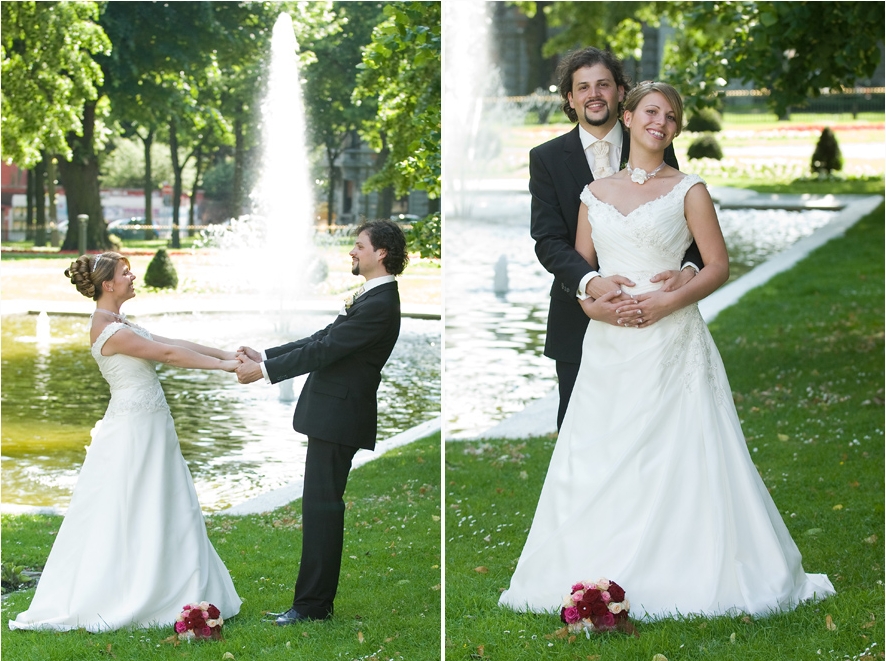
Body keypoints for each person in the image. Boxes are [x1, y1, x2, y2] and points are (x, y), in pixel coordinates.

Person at [499, 82, 835, 619]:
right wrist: (602, 308)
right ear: (628, 117)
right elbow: (583, 279)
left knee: (678, 453)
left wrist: (669, 298)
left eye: (672, 116)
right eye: (652, 111)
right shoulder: (594, 193)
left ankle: (683, 568)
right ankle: (590, 566)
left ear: (676, 130)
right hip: (609, 346)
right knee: (601, 454)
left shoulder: (689, 189)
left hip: (672, 342)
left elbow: (718, 266)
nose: (662, 122)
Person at [9, 252, 242, 632]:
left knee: (163, 500)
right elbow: (166, 354)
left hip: (149, 424)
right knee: (134, 504)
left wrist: (224, 353)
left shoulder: (117, 321)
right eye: (125, 272)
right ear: (108, 285)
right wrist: (224, 368)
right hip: (135, 430)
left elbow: (169, 340)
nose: (132, 276)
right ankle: (133, 590)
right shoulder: (110, 329)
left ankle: (174, 580)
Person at [235, 219, 407, 624]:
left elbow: (326, 350)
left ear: (381, 253)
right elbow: (321, 337)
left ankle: (312, 608)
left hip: (339, 418)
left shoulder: (380, 304)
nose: (352, 252)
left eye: (359, 246)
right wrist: (265, 357)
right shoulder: (372, 297)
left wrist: (265, 373)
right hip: (333, 416)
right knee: (319, 510)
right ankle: (312, 604)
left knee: (322, 512)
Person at [529, 47, 703, 429]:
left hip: (657, 318)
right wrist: (590, 287)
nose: (594, 94)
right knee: (581, 434)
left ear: (621, 93)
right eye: (583, 87)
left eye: (603, 85)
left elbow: (680, 218)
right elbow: (547, 240)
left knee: (657, 430)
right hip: (577, 318)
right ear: (570, 99)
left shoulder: (653, 135)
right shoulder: (546, 158)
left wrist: (688, 271)